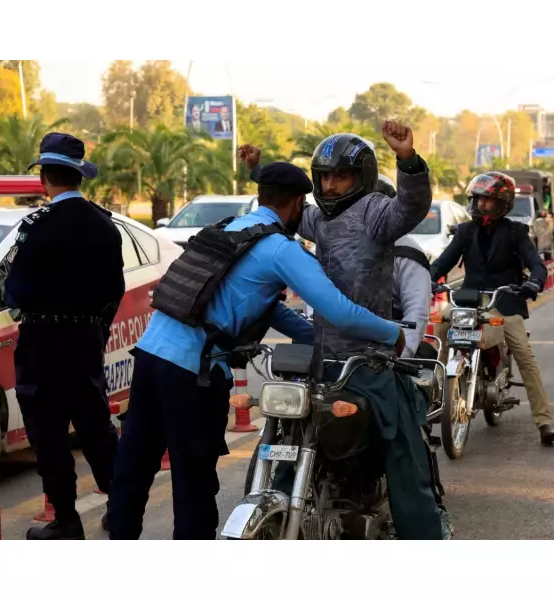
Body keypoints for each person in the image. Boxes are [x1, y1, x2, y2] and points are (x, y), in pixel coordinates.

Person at [107, 161, 408, 540]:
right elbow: (339, 310)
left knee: (133, 468)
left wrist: (317, 339)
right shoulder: (280, 249)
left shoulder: (229, 229)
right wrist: (391, 333)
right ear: (297, 204)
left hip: (151, 356)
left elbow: (266, 307)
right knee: (194, 481)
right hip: (193, 371)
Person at [240, 121, 451, 540]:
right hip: (324, 360)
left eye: (341, 176)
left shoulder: (375, 211)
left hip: (372, 361)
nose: (331, 185)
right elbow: (286, 208)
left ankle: (426, 533)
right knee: (290, 434)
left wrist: (407, 159)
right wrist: (258, 171)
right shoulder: (319, 218)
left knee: (403, 448)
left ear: (363, 176)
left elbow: (411, 206)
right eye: (324, 177)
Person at [4, 133, 125, 540]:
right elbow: (114, 290)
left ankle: (67, 521)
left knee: (48, 431)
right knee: (95, 425)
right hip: (87, 337)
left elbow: (15, 290)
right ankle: (120, 510)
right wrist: (95, 329)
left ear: (44, 179)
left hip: (42, 341)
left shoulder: (36, 226)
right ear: (79, 176)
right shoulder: (105, 225)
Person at [429, 172, 554, 445]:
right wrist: (428, 279)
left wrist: (533, 283)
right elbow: (442, 263)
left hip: (504, 302)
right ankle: (438, 395)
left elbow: (536, 264)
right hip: (468, 299)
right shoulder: (465, 232)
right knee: (441, 326)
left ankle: (543, 421)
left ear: (502, 203)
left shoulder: (516, 232)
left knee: (525, 356)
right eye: (477, 199)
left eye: (486, 200)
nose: (480, 204)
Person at [376, 174, 433, 359]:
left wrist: (401, 354)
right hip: (339, 347)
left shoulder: (408, 252)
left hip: (388, 349)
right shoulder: (338, 246)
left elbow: (416, 312)